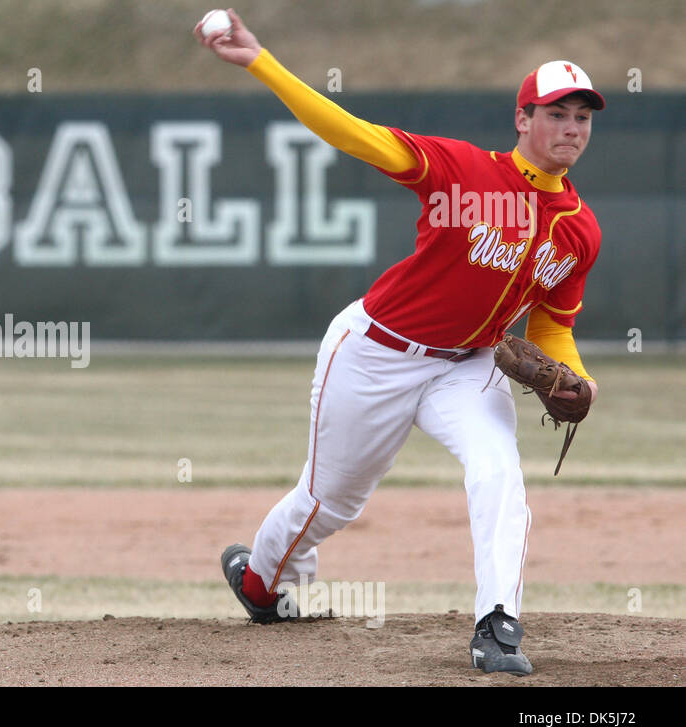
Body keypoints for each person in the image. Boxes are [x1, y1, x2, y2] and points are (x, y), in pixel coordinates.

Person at [195, 9, 604, 676]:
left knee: (498, 472)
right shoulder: (463, 171)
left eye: (583, 117)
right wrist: (261, 63)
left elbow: (553, 325)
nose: (571, 128)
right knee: (331, 502)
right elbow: (352, 135)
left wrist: (576, 379)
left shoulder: (579, 229)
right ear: (523, 120)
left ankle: (497, 626)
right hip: (376, 351)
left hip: (468, 366)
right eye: (557, 113)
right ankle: (261, 584)